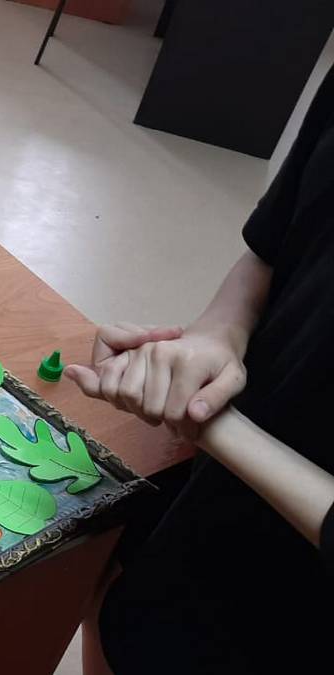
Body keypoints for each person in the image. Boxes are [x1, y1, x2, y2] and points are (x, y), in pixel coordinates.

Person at [64, 65, 334, 675]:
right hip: (217, 481)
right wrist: (216, 336)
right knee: (112, 602)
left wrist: (210, 422)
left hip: (301, 613)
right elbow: (274, 246)